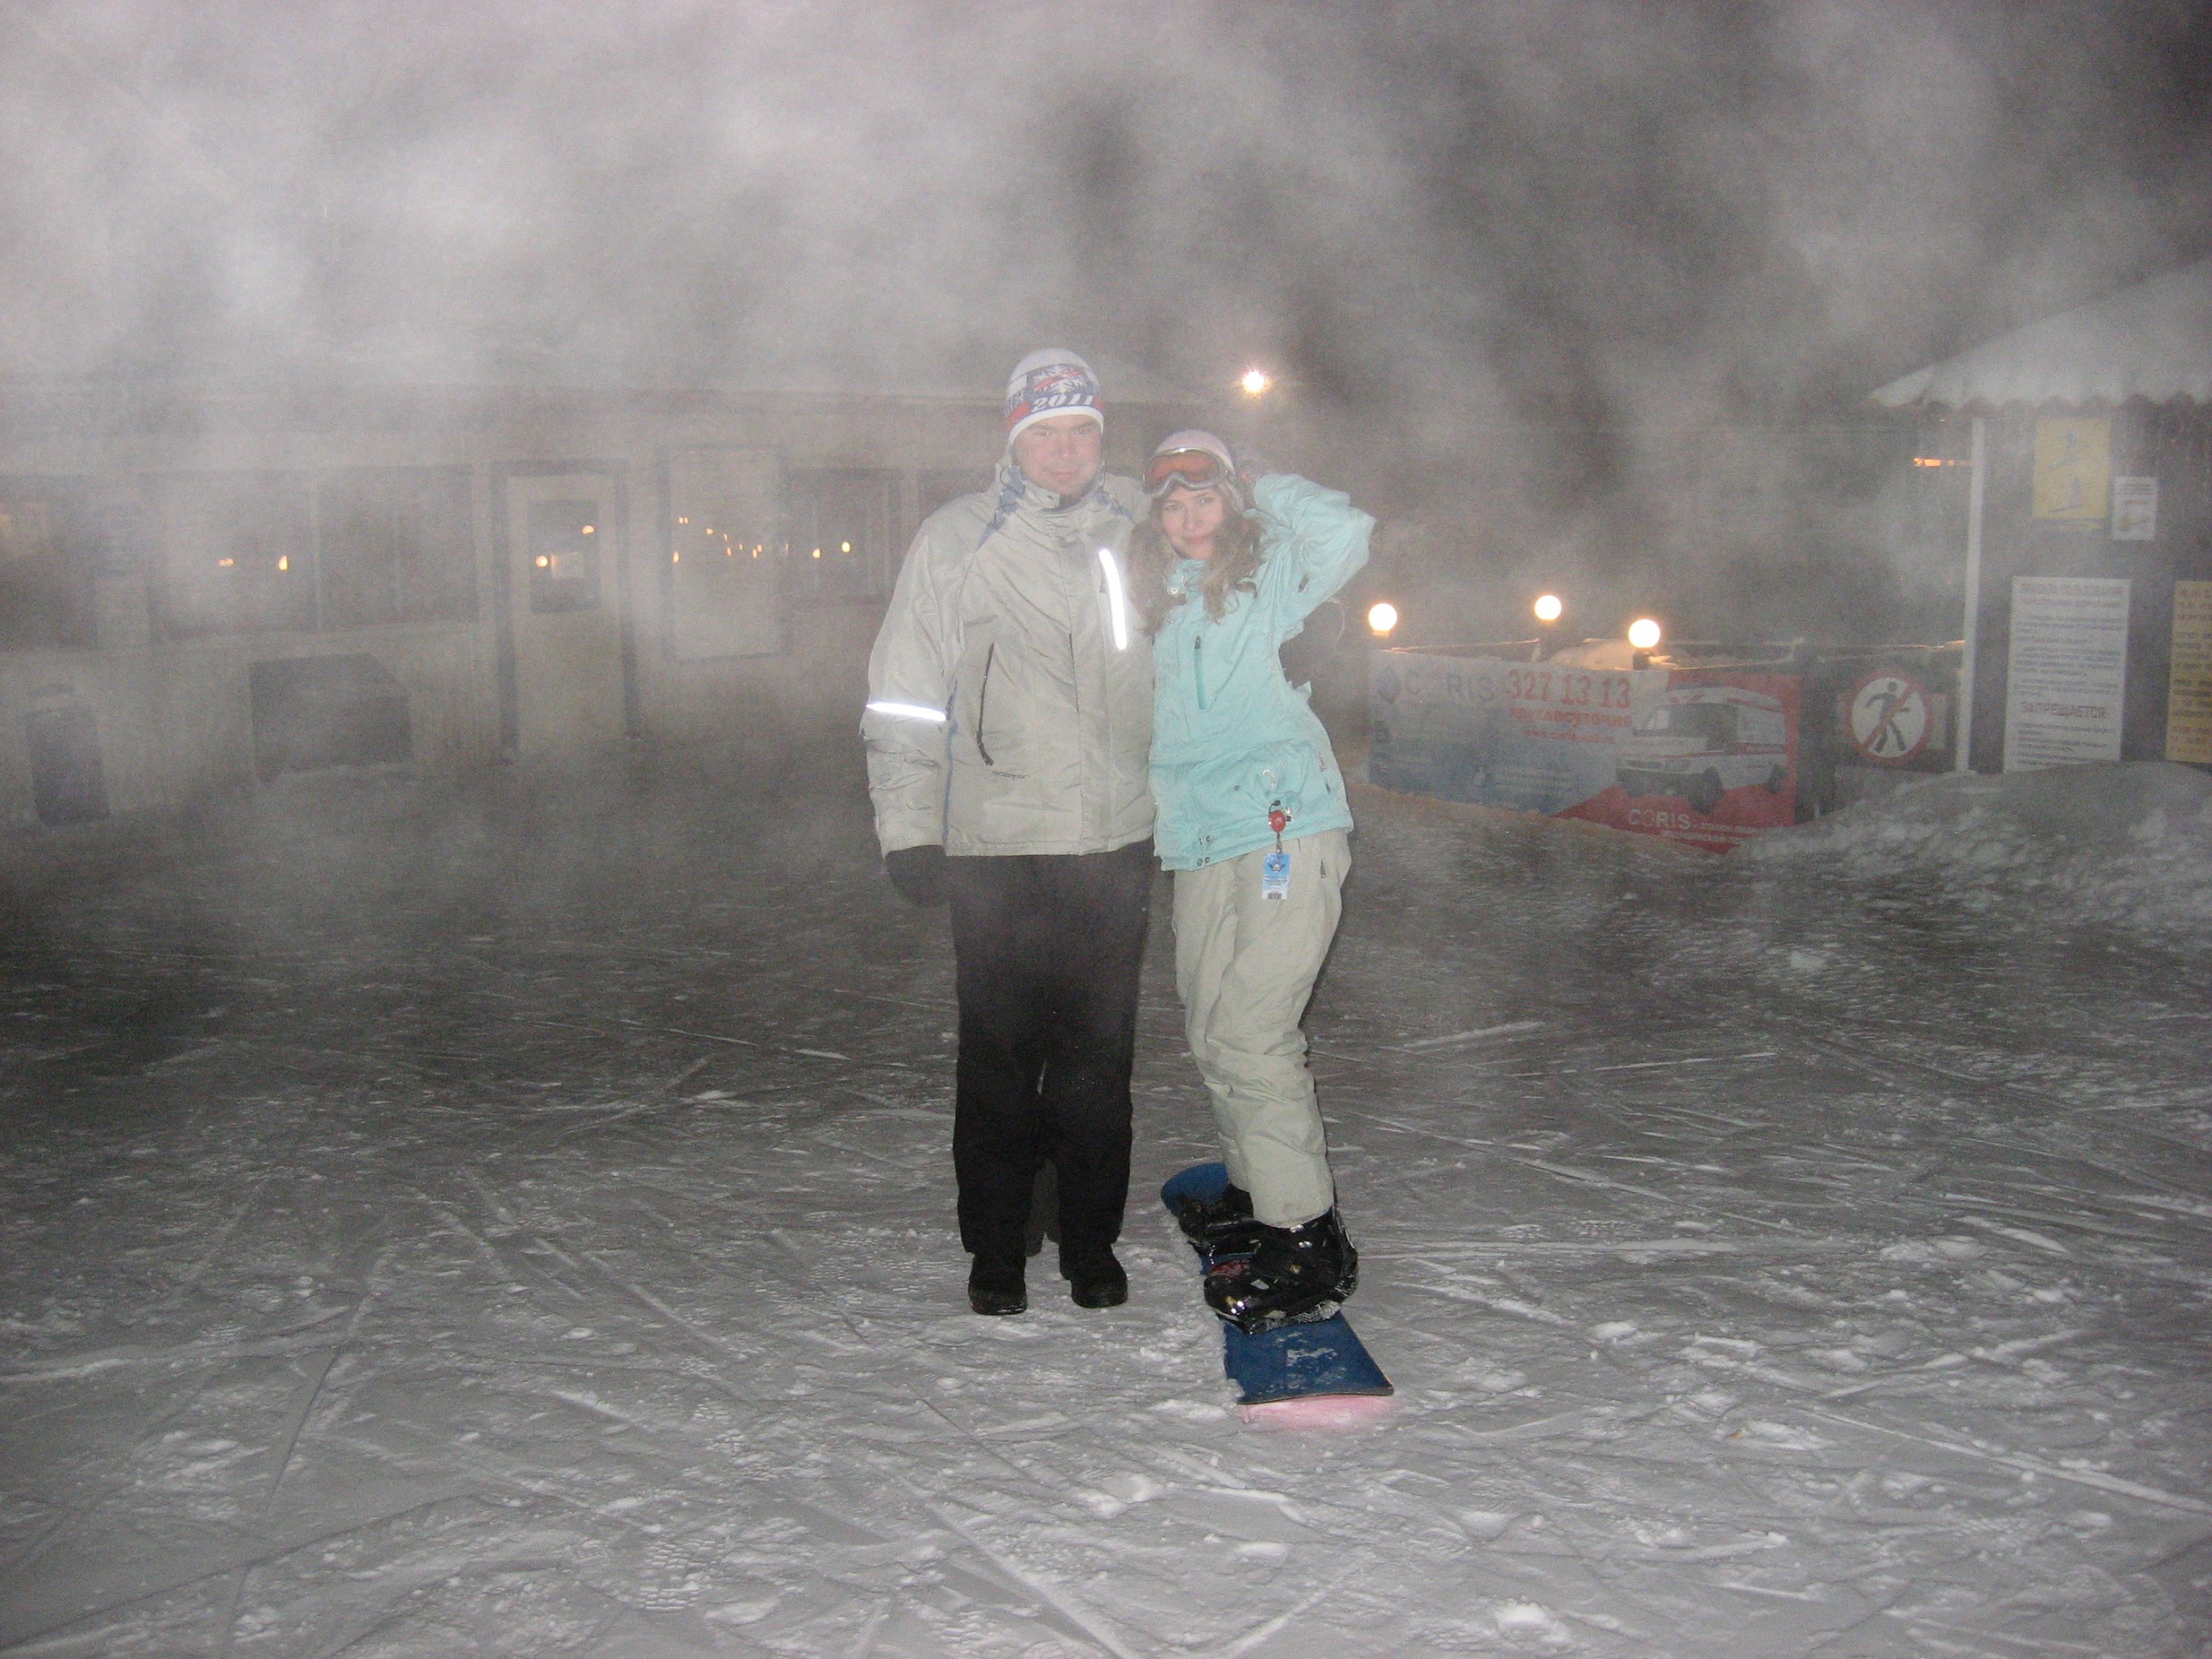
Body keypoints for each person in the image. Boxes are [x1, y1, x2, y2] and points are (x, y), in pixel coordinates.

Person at [861, 349, 1154, 1317]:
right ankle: (996, 1246)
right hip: (996, 846)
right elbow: (905, 692)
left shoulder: (1141, 528)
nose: (1064, 452)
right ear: (1014, 438)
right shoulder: (956, 538)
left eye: (1082, 432)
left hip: (1113, 840)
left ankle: (1088, 1240)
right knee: (998, 1060)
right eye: (1045, 433)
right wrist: (909, 826)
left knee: (1098, 1061)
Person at [1128, 430, 1373, 1334]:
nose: (1191, 518)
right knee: (1210, 1025)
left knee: (1252, 1030)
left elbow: (1348, 533)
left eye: (1207, 497)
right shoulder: (1155, 602)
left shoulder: (1270, 574)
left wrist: (1267, 481)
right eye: (1174, 504)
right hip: (1201, 837)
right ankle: (1256, 1188)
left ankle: (1304, 1237)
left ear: (1231, 502)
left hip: (1283, 825)